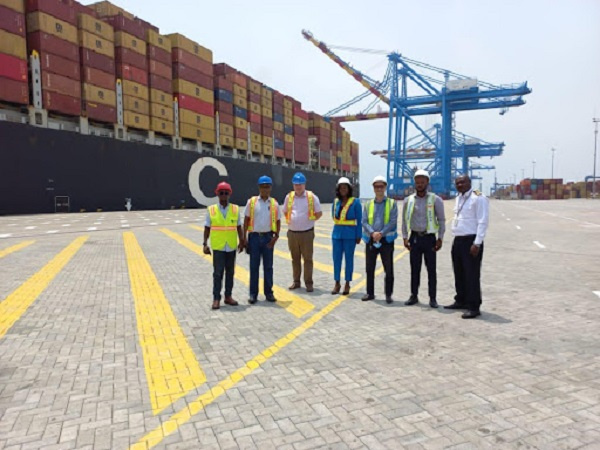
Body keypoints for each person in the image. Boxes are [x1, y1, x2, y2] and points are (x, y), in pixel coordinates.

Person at [445, 174, 489, 319]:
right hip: (458, 240)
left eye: (462, 182)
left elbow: (483, 221)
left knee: (471, 275)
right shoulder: (459, 198)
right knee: (459, 273)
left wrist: (477, 243)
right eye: (457, 183)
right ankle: (461, 300)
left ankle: (474, 306)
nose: (460, 185)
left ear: (469, 183)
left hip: (471, 241)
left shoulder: (478, 197)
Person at [402, 169, 446, 308]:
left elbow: (442, 220)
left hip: (429, 238)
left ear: (427, 182)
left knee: (431, 270)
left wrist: (440, 238)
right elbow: (404, 220)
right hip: (414, 237)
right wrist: (404, 237)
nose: (420, 184)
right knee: (415, 269)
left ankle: (432, 298)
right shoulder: (408, 200)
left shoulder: (435, 200)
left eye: (422, 182)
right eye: (417, 182)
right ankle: (413, 295)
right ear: (414, 183)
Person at [203, 181, 245, 310]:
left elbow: (239, 227)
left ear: (229, 194)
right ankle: (216, 298)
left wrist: (242, 241)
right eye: (221, 193)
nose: (223, 195)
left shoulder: (235, 209)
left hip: (231, 246)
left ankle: (228, 296)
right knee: (217, 273)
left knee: (230, 272)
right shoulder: (211, 210)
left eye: (226, 193)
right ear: (217, 194)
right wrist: (205, 244)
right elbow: (207, 228)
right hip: (218, 247)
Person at [282, 172, 323, 292]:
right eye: (296, 185)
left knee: (308, 259)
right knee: (295, 259)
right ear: (293, 185)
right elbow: (285, 211)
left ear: (304, 184)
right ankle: (296, 282)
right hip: (292, 233)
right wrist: (294, 221)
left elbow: (319, 213)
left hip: (307, 233)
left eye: (300, 184)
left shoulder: (312, 197)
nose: (298, 187)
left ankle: (309, 283)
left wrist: (308, 222)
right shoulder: (288, 197)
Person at [243, 175, 281, 304]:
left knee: (268, 267)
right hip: (254, 237)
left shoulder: (274, 203)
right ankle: (253, 294)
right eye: (263, 186)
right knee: (254, 267)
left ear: (270, 188)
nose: (265, 189)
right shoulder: (252, 202)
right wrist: (244, 238)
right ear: (259, 187)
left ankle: (269, 293)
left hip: (268, 237)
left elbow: (278, 221)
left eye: (267, 186)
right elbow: (246, 219)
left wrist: (276, 237)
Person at [361, 175, 398, 303]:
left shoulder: (392, 203)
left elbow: (393, 222)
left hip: (386, 240)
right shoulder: (367, 204)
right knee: (369, 268)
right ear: (373, 188)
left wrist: (381, 233)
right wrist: (372, 233)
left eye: (381, 186)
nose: (379, 189)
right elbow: (364, 221)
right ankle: (370, 293)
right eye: (376, 186)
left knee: (388, 269)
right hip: (371, 239)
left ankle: (388, 294)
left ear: (385, 187)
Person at [331, 177, 362, 295]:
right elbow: (333, 217)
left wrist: (358, 235)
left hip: (350, 236)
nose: (343, 189)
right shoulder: (335, 202)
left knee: (349, 260)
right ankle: (337, 283)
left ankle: (347, 283)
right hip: (336, 235)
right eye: (341, 187)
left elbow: (359, 220)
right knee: (336, 260)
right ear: (338, 189)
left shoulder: (356, 202)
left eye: (345, 187)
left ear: (349, 189)